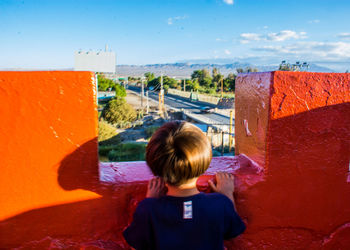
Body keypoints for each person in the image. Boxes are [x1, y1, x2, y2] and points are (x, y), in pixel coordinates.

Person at [123, 121, 245, 250]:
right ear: (205, 161)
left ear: (154, 165)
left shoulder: (148, 209)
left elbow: (136, 246)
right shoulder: (220, 204)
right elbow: (233, 231)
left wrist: (151, 201)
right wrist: (227, 194)